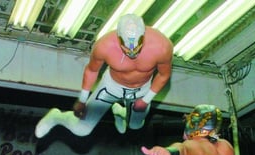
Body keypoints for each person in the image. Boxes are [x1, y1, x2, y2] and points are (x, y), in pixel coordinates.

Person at [35, 14, 173, 138]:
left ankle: (120, 111)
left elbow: (164, 74)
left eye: (136, 48)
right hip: (112, 86)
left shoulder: (161, 46)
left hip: (142, 90)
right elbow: (92, 71)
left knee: (136, 125)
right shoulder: (104, 45)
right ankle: (56, 116)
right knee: (81, 129)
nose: (131, 53)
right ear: (118, 38)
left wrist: (146, 100)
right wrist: (82, 100)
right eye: (126, 48)